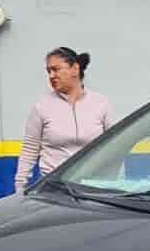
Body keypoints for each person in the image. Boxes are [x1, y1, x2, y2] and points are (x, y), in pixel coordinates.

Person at [13, 46, 113, 194]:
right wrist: (20, 187)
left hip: (93, 189)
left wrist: (115, 182)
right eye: (49, 71)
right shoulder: (42, 106)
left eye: (56, 69)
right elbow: (30, 149)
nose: (52, 75)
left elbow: (115, 143)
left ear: (75, 69)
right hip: (54, 189)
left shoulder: (101, 103)